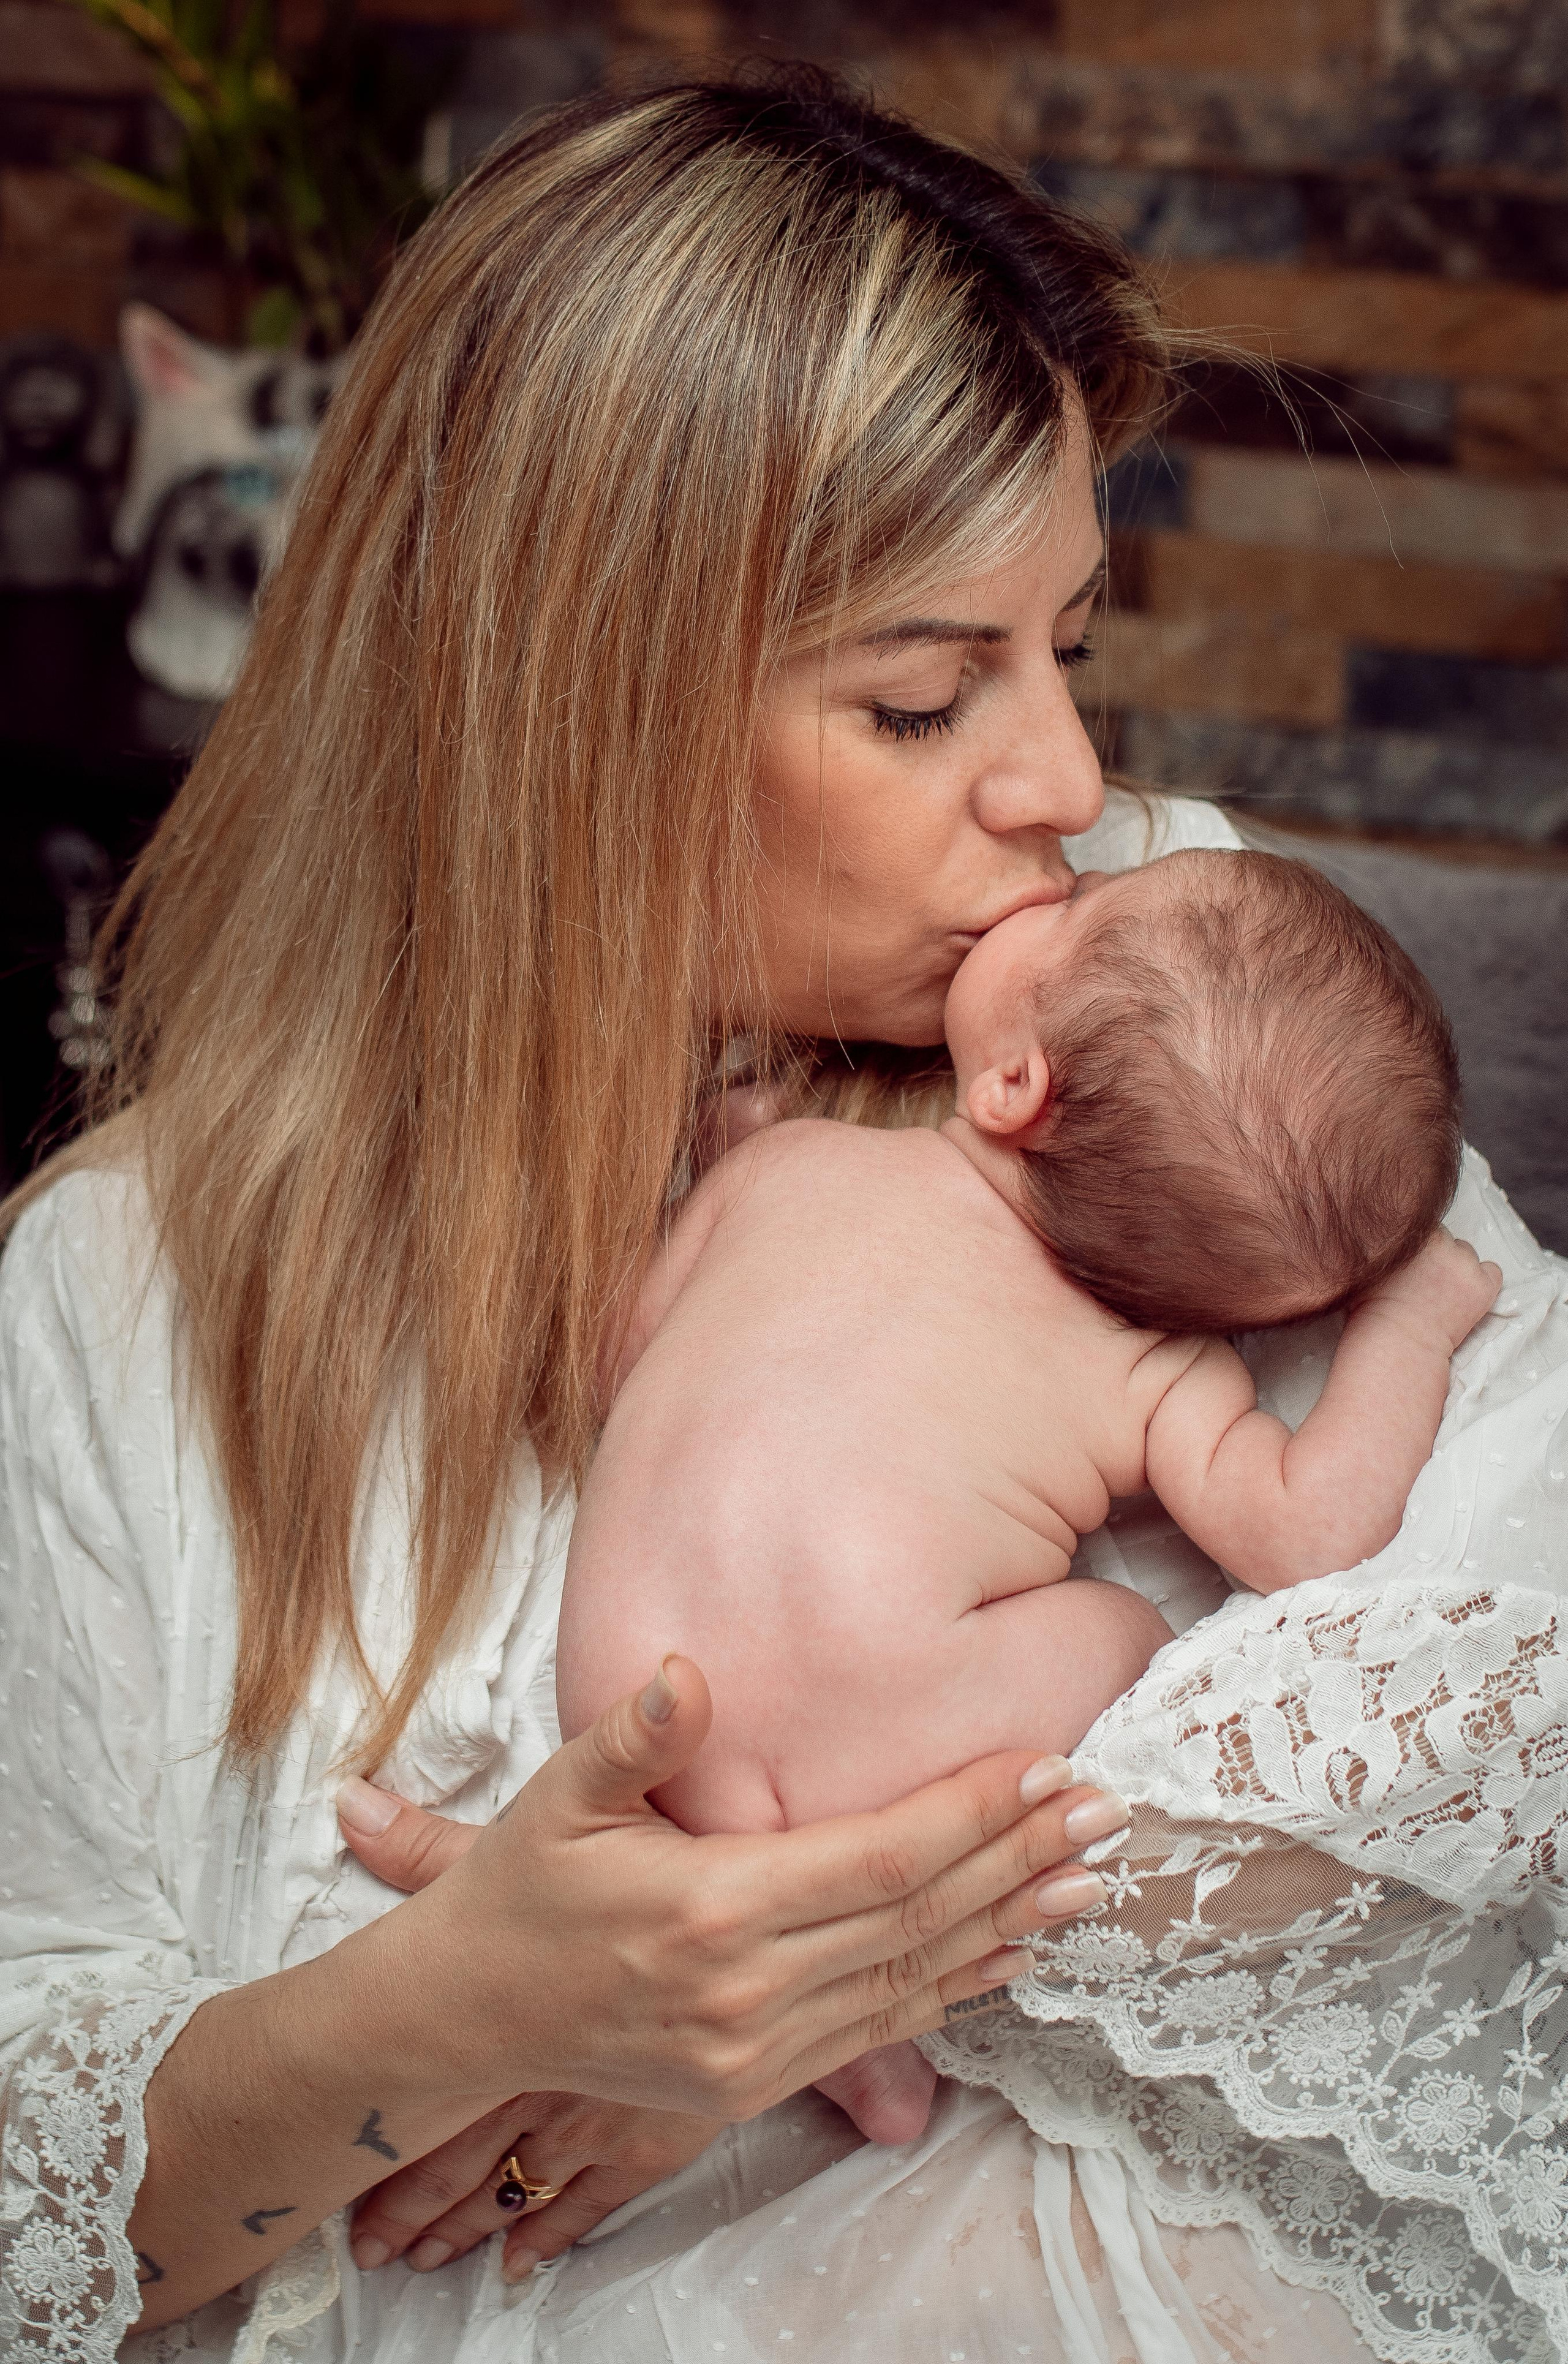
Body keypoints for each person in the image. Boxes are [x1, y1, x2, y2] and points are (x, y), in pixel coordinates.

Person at [2, 66, 1563, 2364]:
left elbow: (1519, 1684)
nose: (1060, 780)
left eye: (1071, 651)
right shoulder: (112, 1299)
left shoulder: (1162, 1000)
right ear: (568, 713)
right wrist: (435, 2017)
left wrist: (809, 1949)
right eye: (928, 696)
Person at [554, 845, 1501, 2147]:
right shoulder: (1149, 1373)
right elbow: (1306, 1532)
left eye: (1073, 912)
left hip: (625, 1699)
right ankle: (864, 2036)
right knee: (1131, 1635)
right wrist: (1410, 1324)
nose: (1045, 885)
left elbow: (617, 1360)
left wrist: (727, 1172)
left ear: (1011, 1083)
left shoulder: (788, 1173)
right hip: (891, 1739)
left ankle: (838, 2032)